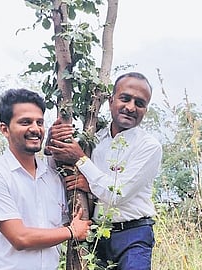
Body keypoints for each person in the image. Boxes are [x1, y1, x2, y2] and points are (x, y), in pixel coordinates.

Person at [46, 72, 163, 269]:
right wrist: (52, 143)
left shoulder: (149, 147)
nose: (130, 107)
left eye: (140, 103)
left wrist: (82, 162)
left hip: (134, 236)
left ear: (145, 110)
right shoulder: (94, 140)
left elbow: (117, 193)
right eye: (125, 98)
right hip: (97, 236)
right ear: (111, 101)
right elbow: (59, 173)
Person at [0, 89, 91, 270]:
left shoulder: (52, 177)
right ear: (4, 129)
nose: (35, 129)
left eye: (40, 122)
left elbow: (67, 221)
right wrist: (71, 232)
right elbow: (20, 238)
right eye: (25, 122)